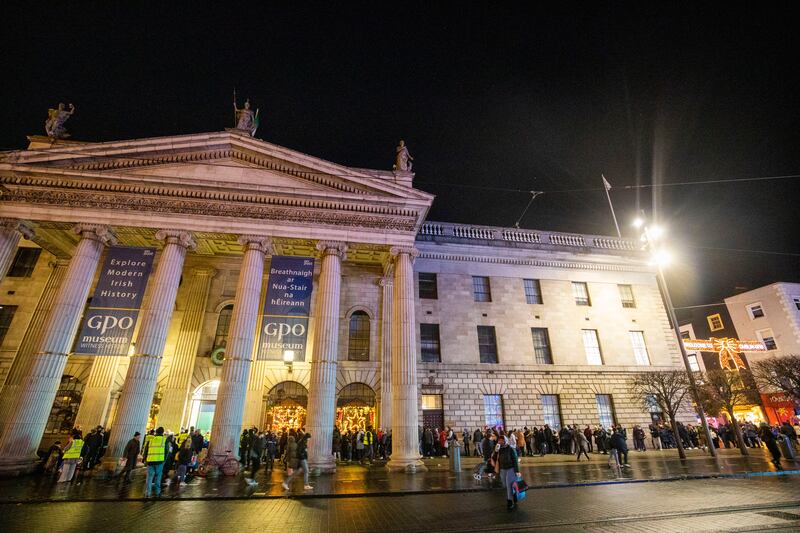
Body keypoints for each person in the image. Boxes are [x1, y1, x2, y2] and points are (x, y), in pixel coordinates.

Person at [496, 435, 521, 510]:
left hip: (510, 469)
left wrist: (517, 471)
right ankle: (514, 495)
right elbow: (495, 459)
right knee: (505, 485)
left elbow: (515, 460)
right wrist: (495, 451)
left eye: (502, 440)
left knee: (509, 485)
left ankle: (510, 502)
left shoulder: (510, 449)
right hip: (503, 469)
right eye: (499, 440)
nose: (500, 441)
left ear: (505, 441)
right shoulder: (499, 449)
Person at [143, 426, 168, 498]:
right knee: (158, 478)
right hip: (159, 462)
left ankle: (148, 493)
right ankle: (157, 493)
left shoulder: (150, 440)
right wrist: (164, 461)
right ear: (163, 432)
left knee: (149, 478)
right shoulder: (164, 440)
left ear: (156, 432)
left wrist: (146, 460)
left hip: (150, 462)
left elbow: (146, 451)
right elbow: (167, 452)